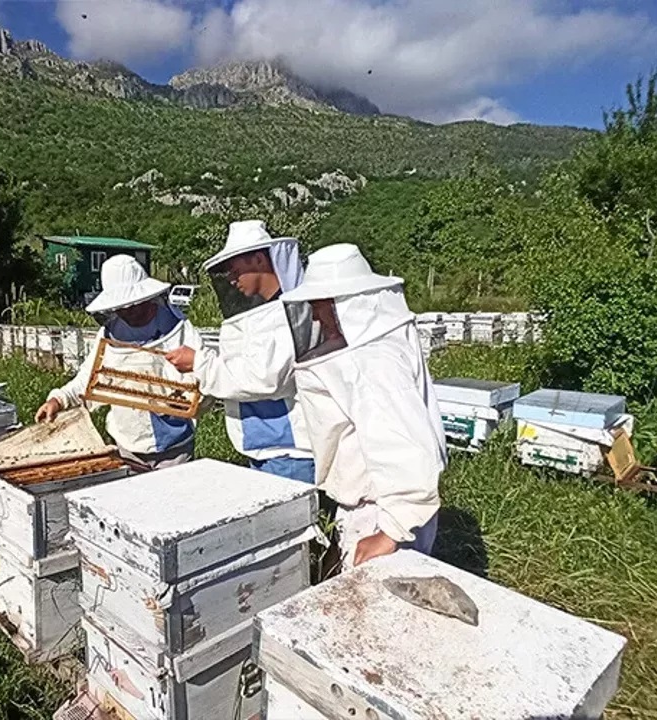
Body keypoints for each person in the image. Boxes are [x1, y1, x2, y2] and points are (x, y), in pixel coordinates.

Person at [279, 243, 448, 570]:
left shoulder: (370, 362)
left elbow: (401, 441)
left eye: (319, 305)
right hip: (390, 506)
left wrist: (390, 531)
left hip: (382, 512)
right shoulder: (378, 345)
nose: (315, 316)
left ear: (343, 303)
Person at [165, 220, 315, 483]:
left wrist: (200, 363)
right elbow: (239, 367)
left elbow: (265, 378)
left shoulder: (289, 315)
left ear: (258, 260)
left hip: (291, 453)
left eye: (236, 270)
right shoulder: (261, 313)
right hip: (264, 448)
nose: (231, 280)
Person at [36, 254, 203, 471]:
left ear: (147, 297)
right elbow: (88, 378)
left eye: (133, 304)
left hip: (174, 447)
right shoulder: (109, 333)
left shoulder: (179, 328)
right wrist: (58, 400)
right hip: (126, 444)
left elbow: (205, 376)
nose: (128, 312)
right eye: (122, 307)